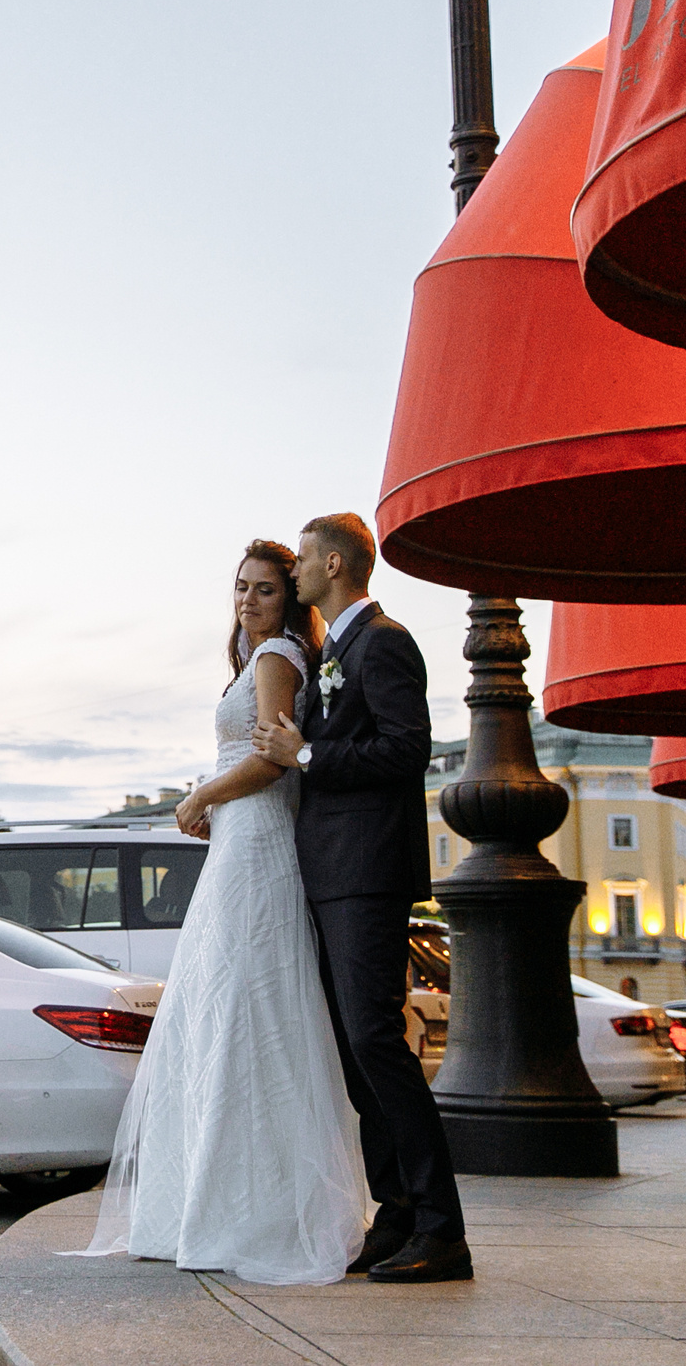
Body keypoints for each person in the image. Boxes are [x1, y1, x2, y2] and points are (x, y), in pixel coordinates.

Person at [75, 539, 370, 1284]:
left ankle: (245, 1208)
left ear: (290, 599)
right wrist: (215, 802)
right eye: (241, 587)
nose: (248, 599)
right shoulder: (253, 656)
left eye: (265, 588)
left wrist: (204, 794)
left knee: (243, 1006)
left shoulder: (277, 654)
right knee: (223, 1007)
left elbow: (274, 755)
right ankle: (207, 1199)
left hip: (256, 842)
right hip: (238, 839)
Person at [253, 513, 469, 1283]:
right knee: (354, 1048)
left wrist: (308, 752)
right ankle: (398, 1211)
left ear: (334, 563)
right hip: (330, 872)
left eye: (305, 559)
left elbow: (411, 747)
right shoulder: (335, 649)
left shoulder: (385, 640)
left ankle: (443, 1229)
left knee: (377, 1040)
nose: (299, 572)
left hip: (368, 872)